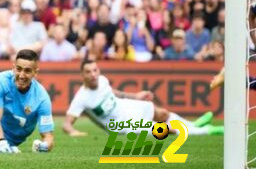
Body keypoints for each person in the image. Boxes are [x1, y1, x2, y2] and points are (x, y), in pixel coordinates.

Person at [63, 60, 223, 137]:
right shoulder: (81, 98)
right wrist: (74, 132)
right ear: (82, 75)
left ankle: (193, 124)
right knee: (164, 129)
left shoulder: (102, 80)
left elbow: (115, 93)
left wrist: (136, 96)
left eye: (95, 70)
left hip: (126, 106)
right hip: (121, 125)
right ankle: (206, 131)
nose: (93, 74)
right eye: (88, 72)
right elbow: (66, 125)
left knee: (162, 114)